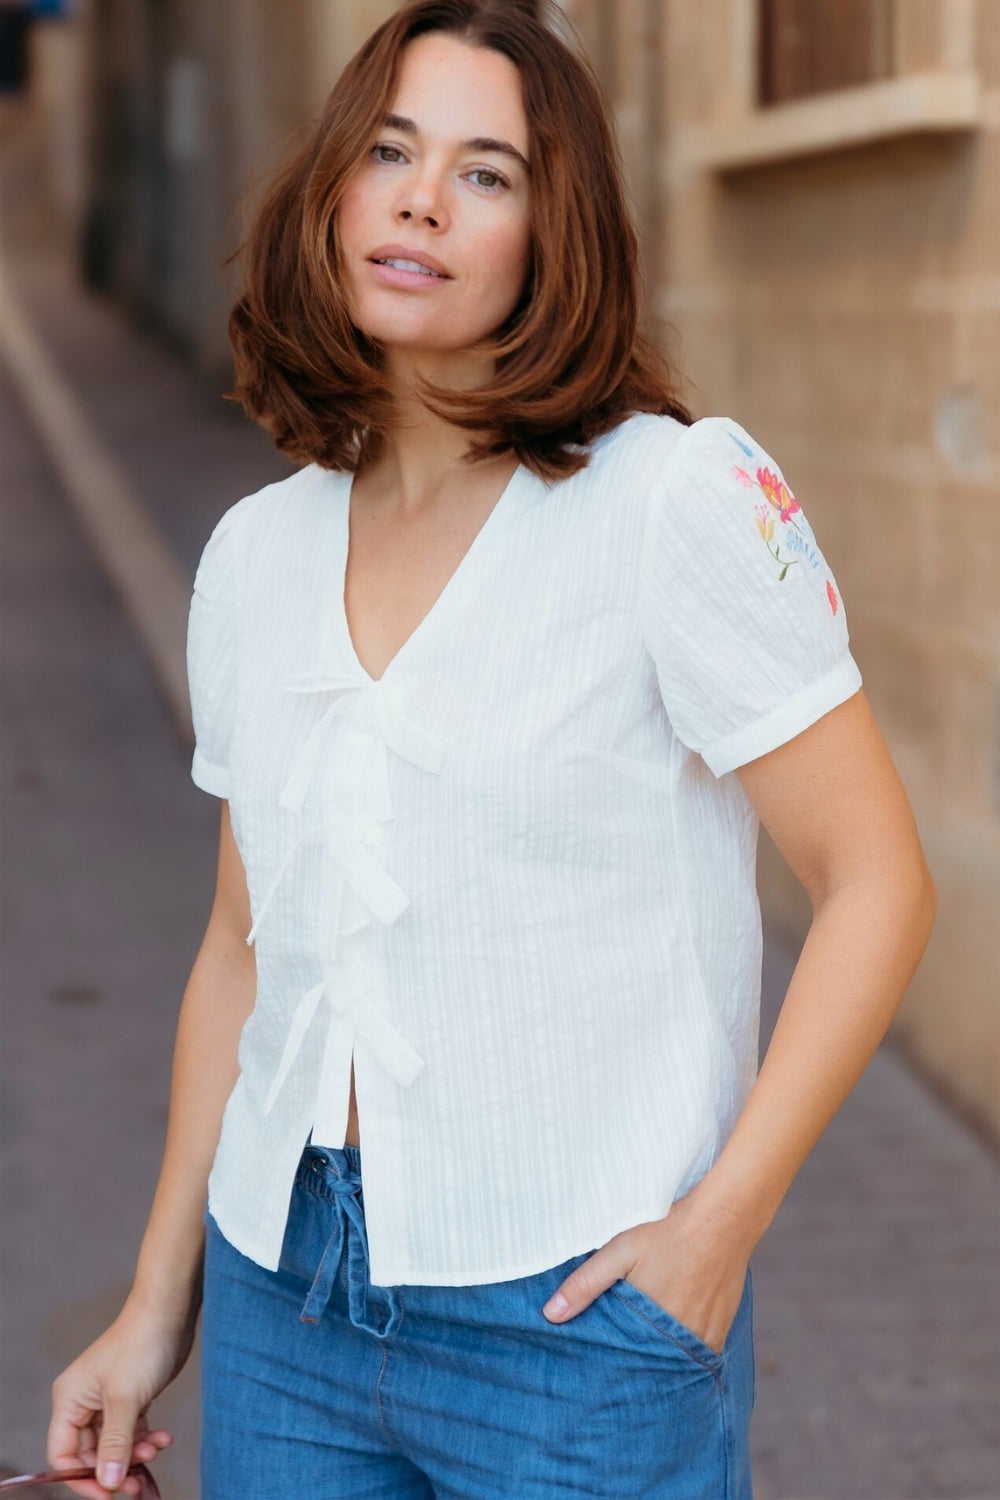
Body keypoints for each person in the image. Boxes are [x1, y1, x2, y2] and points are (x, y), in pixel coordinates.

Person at [47, 2, 938, 1496]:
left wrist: (721, 1228)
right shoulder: (257, 555)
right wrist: (156, 1307)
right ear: (331, 191)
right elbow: (242, 952)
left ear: (552, 229)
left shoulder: (670, 500)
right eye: (391, 151)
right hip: (285, 1304)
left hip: (574, 1323)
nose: (420, 198)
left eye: (486, 171)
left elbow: (879, 882)